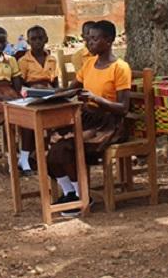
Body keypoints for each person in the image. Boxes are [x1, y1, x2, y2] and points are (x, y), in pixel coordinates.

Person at [46, 20, 131, 217]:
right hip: (87, 117)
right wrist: (46, 94)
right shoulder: (90, 63)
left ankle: (83, 196)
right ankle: (70, 192)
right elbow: (71, 89)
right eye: (88, 39)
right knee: (50, 145)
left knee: (67, 147)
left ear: (108, 41)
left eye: (94, 39)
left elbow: (123, 108)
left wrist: (96, 99)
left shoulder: (120, 67)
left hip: (108, 123)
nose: (89, 43)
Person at [16, 25, 58, 175]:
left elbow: (55, 82)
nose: (38, 42)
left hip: (49, 94)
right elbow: (20, 84)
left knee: (59, 117)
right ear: (28, 41)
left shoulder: (52, 59)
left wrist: (57, 94)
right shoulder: (24, 61)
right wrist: (27, 94)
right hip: (31, 94)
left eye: (41, 38)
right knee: (30, 121)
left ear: (46, 39)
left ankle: (47, 154)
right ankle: (25, 157)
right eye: (33, 39)